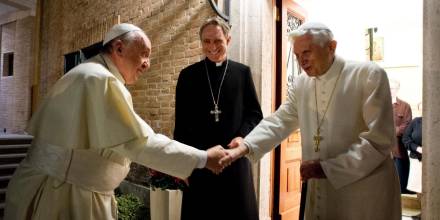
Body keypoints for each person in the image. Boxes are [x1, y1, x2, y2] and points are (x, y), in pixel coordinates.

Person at [4, 23, 227, 220]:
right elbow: (138, 143)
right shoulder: (99, 80)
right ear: (119, 48)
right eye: (144, 54)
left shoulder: (89, 73)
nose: (147, 64)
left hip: (66, 188)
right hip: (65, 196)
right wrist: (203, 158)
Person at [223, 22, 401, 219]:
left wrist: (327, 168)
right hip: (321, 187)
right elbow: (280, 121)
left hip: (364, 192)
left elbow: (379, 142)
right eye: (297, 56)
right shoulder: (302, 84)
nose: (302, 61)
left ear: (331, 47)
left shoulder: (368, 75)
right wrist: (245, 145)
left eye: (306, 52)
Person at [174, 17, 263, 220]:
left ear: (228, 40)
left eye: (218, 41)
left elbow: (254, 114)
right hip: (199, 162)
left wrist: (242, 136)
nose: (212, 47)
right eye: (206, 41)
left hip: (234, 161)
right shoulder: (187, 76)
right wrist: (181, 165)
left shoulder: (242, 73)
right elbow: (181, 125)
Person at [389, 79, 413, 193]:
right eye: (388, 88)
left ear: (397, 89)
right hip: (382, 153)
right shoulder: (379, 105)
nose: (390, 91)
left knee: (400, 185)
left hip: (399, 151)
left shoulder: (405, 106)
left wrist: (388, 131)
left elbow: (407, 126)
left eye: (392, 88)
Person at [402, 104, 422, 193]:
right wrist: (417, 148)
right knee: (418, 188)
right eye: (421, 109)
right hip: (416, 159)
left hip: (433, 160)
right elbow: (405, 139)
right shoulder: (415, 122)